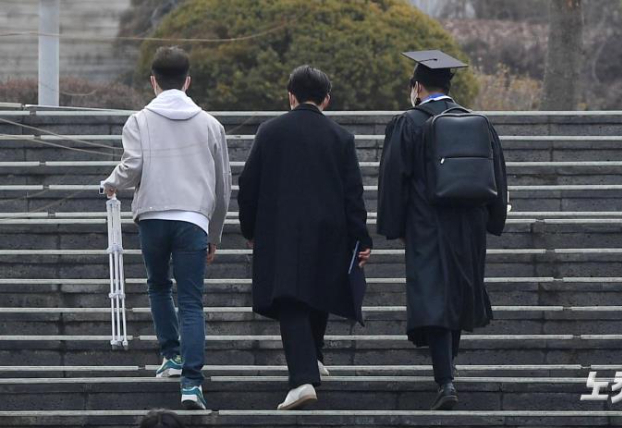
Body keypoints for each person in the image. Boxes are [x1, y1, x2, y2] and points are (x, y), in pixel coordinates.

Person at [101, 46, 232, 410]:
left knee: (158, 286)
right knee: (191, 302)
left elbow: (132, 165)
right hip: (193, 220)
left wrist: (111, 183)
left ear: (153, 81)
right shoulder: (211, 124)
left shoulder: (139, 120)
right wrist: (214, 233)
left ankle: (170, 356)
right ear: (188, 81)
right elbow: (223, 185)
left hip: (154, 216)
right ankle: (192, 383)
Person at [377, 50, 508, 410]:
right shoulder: (477, 122)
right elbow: (497, 176)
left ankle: (445, 380)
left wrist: (394, 225)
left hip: (427, 224)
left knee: (433, 295)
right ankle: (448, 368)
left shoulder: (409, 123)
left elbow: (393, 178)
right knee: (460, 294)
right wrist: (493, 221)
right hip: (470, 224)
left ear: (418, 86)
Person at [238, 65, 372, 411]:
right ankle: (313, 357)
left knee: (290, 300)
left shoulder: (270, 132)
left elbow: (248, 186)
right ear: (326, 99)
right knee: (317, 292)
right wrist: (361, 236)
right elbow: (352, 193)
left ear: (290, 96)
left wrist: (249, 229)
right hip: (330, 230)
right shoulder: (341, 137)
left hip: (281, 230)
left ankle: (302, 379)